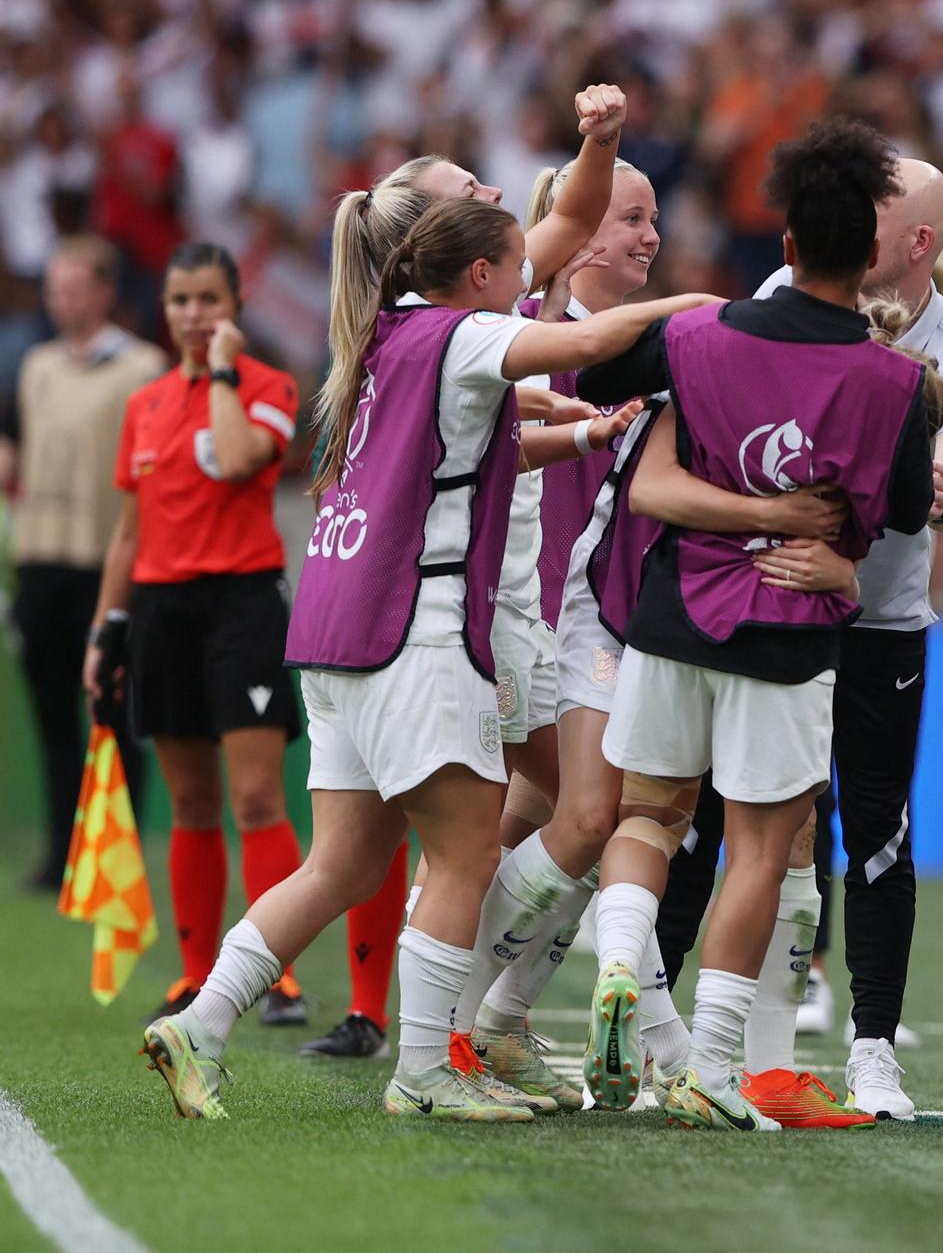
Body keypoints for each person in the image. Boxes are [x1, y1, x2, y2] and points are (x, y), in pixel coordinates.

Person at [139, 197, 717, 1123]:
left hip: (331, 628)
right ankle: (432, 1066)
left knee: (342, 865)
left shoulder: (380, 342)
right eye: (518, 267)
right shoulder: (463, 332)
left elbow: (475, 449)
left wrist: (579, 435)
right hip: (414, 623)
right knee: (466, 852)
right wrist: (694, 306)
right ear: (480, 277)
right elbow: (584, 343)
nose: (528, 283)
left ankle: (200, 1024)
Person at [573, 117, 937, 1131]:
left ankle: (615, 971)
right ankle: (714, 1060)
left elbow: (594, 373)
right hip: (789, 625)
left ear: (782, 247)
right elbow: (908, 510)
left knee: (646, 815)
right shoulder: (894, 379)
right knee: (760, 849)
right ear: (869, 253)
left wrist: (691, 312)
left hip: (672, 613)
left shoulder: (693, 337)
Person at [655, 155, 943, 1121]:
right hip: (775, 601)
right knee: (720, 820)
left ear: (916, 242)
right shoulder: (781, 295)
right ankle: (662, 1041)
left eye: (873, 210)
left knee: (879, 833)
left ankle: (874, 1049)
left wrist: (940, 494)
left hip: (881, 620)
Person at [296, 88, 626, 1060]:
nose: (492, 188)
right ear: (440, 246)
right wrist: (708, 318)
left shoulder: (444, 315)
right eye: (464, 189)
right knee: (584, 812)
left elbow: (568, 217)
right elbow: (575, 316)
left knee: (519, 822)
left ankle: (473, 1019)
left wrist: (596, 141)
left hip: (482, 603)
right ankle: (479, 1024)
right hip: (489, 607)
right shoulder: (466, 325)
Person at [84, 242, 307, 1026]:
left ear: (235, 306)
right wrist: (107, 631)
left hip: (242, 604)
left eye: (207, 300)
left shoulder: (268, 386)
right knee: (190, 802)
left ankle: (275, 975)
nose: (192, 315)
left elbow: (242, 456)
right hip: (159, 609)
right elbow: (128, 532)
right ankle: (194, 974)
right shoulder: (144, 405)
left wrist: (220, 373)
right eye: (179, 301)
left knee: (254, 796)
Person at [8, 236, 159, 890]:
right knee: (52, 716)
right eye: (53, 285)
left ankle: (115, 859)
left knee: (114, 717)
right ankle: (65, 853)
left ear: (105, 291)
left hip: (107, 561)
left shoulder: (142, 367)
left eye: (73, 285)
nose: (58, 297)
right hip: (41, 558)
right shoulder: (36, 365)